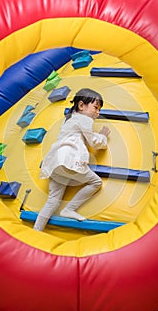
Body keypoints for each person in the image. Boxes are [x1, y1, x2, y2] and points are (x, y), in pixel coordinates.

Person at [33, 88, 110, 231]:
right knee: (96, 182)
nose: (97, 113)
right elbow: (94, 142)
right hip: (69, 160)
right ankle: (69, 209)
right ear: (81, 105)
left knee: (52, 201)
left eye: (99, 110)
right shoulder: (84, 118)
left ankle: (36, 231)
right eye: (95, 108)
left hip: (56, 163)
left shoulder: (69, 118)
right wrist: (103, 136)